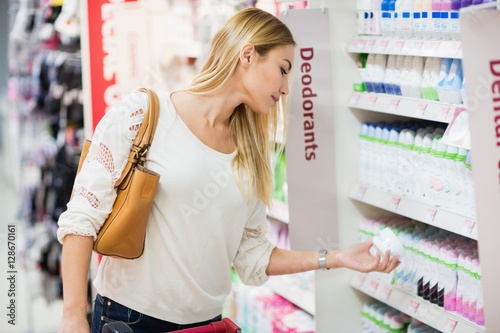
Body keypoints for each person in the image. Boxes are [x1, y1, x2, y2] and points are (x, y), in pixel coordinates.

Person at [56, 7, 400, 333]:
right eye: (283, 68)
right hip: (129, 320)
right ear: (247, 55)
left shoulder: (251, 153)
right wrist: (73, 317)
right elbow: (82, 218)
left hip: (206, 324)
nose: (285, 87)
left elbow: (253, 258)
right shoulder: (145, 113)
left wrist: (337, 258)